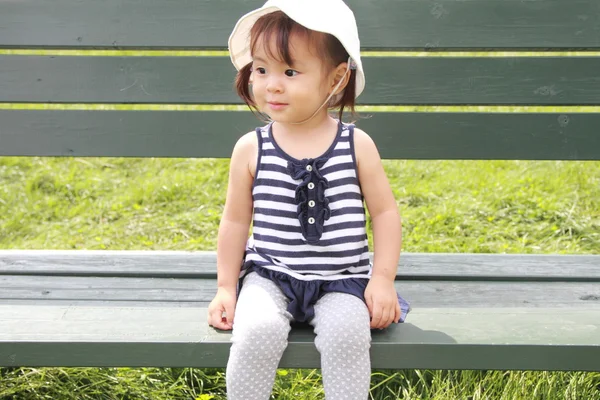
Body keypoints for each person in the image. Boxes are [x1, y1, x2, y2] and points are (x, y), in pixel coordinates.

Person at [207, 1, 410, 398]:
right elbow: (234, 222)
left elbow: (385, 213)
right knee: (256, 334)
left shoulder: (356, 145)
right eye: (261, 69)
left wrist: (382, 279)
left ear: (335, 79)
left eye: (290, 71)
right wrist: (226, 287)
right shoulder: (252, 148)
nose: (272, 84)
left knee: (348, 338)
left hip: (341, 281)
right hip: (270, 277)